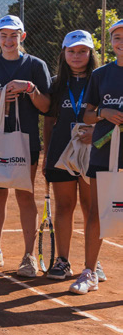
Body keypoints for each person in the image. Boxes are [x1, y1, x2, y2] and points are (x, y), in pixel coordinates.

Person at [0, 15, 51, 274]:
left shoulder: (36, 65)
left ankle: (29, 256)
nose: (8, 40)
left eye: (13, 35)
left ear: (22, 37)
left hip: (26, 140)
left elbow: (46, 107)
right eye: (3, 35)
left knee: (25, 194)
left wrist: (30, 88)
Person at [42, 31, 99, 282]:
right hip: (60, 153)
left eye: (82, 51)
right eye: (72, 51)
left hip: (93, 153)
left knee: (91, 208)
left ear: (91, 53)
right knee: (64, 206)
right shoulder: (55, 84)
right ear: (63, 53)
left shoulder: (100, 81)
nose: (77, 56)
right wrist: (47, 155)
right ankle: (62, 260)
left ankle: (92, 264)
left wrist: (97, 133)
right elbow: (49, 121)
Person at [72, 19, 123, 294]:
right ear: (111, 42)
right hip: (104, 153)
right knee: (97, 212)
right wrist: (104, 113)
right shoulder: (101, 75)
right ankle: (89, 272)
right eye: (117, 37)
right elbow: (88, 115)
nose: (121, 42)